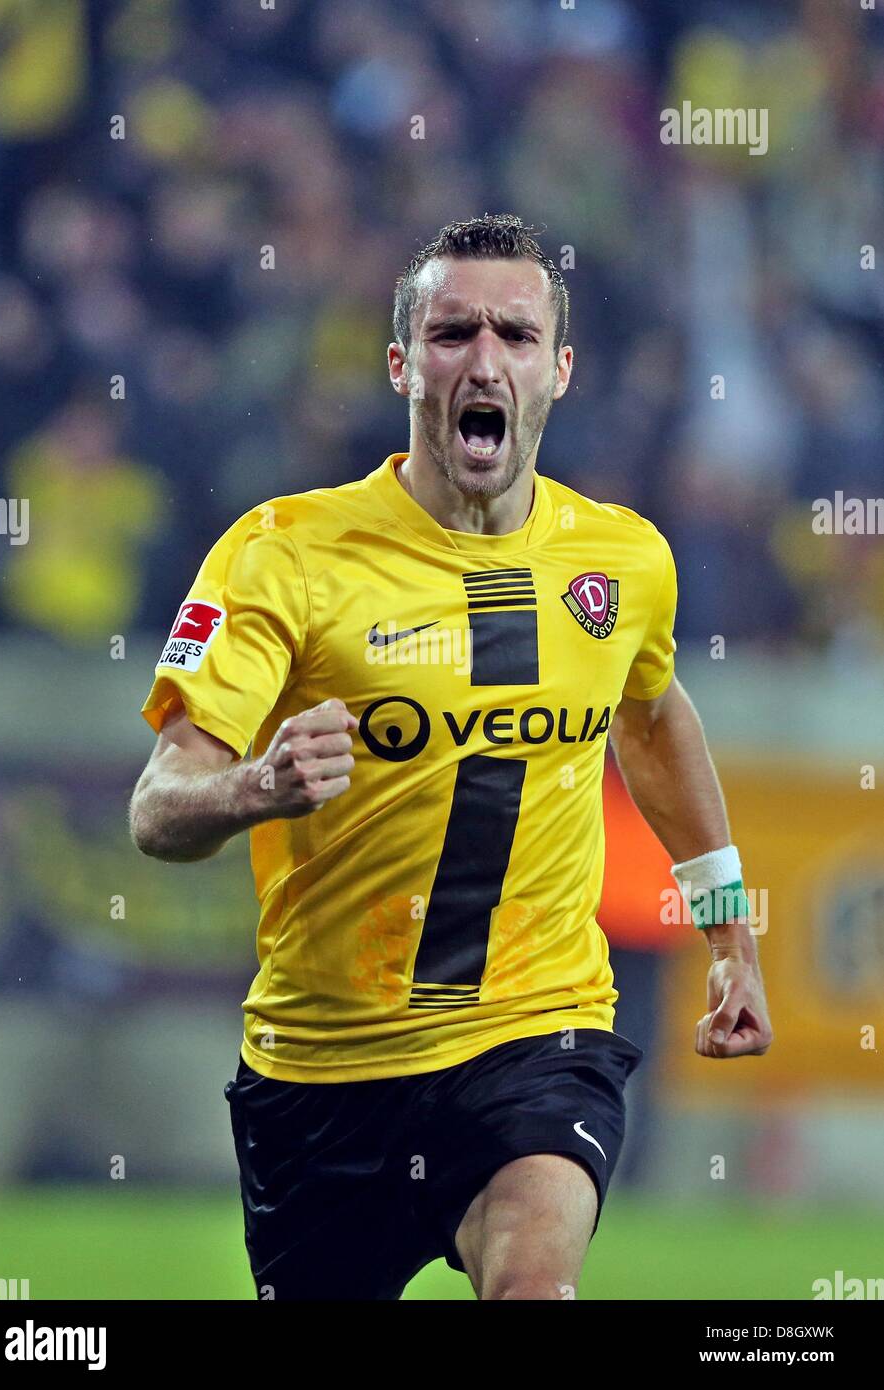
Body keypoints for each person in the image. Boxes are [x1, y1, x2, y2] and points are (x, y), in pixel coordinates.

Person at [129, 213, 772, 1301]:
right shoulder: (281, 553)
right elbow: (158, 806)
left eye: (516, 336)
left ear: (558, 370)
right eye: (451, 332)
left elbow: (652, 717)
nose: (484, 360)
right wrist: (257, 785)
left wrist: (728, 930)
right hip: (325, 1068)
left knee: (532, 1286)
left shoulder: (620, 561)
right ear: (400, 364)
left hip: (534, 1030)